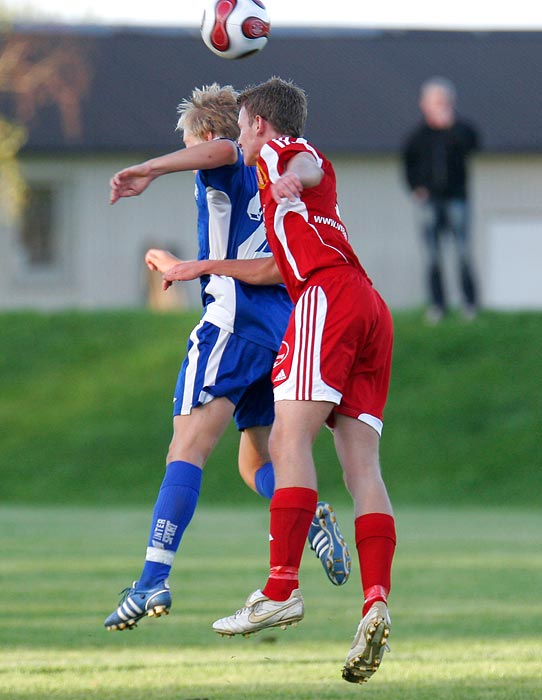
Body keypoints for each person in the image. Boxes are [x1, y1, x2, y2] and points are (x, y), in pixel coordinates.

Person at [165, 77, 396, 685]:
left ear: (258, 124)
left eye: (242, 126)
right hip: (368, 307)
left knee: (286, 443)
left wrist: (292, 174)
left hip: (328, 298)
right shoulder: (278, 188)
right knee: (361, 468)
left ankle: (280, 589)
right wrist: (208, 265)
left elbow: (304, 163)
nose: (239, 138)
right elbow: (272, 265)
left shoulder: (280, 151)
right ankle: (375, 600)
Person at [103, 84, 351, 632]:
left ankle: (150, 580)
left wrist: (150, 167)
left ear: (212, 135)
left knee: (186, 448)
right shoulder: (276, 171)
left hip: (231, 327)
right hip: (281, 330)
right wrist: (187, 262)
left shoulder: (232, 158)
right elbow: (267, 265)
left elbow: (220, 152)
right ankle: (310, 517)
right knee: (255, 462)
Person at [402, 76, 480, 324]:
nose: (439, 106)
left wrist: (451, 127)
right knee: (433, 255)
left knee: (463, 252)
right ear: (424, 104)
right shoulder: (417, 137)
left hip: (457, 199)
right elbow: (408, 165)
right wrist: (416, 188)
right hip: (429, 202)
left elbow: (473, 144)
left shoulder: (461, 131)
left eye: (443, 101)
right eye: (435, 101)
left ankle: (470, 304)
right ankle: (438, 306)